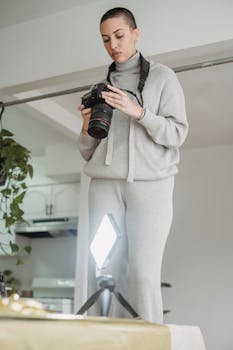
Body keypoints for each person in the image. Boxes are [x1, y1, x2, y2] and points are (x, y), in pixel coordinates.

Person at [77, 7, 188, 323]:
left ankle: (148, 340)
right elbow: (88, 152)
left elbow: (177, 133)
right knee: (100, 268)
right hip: (104, 183)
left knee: (143, 272)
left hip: (151, 184)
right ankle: (97, 340)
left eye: (120, 35)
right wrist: (86, 127)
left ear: (135, 34)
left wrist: (138, 112)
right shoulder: (101, 87)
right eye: (106, 39)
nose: (113, 44)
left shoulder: (163, 77)